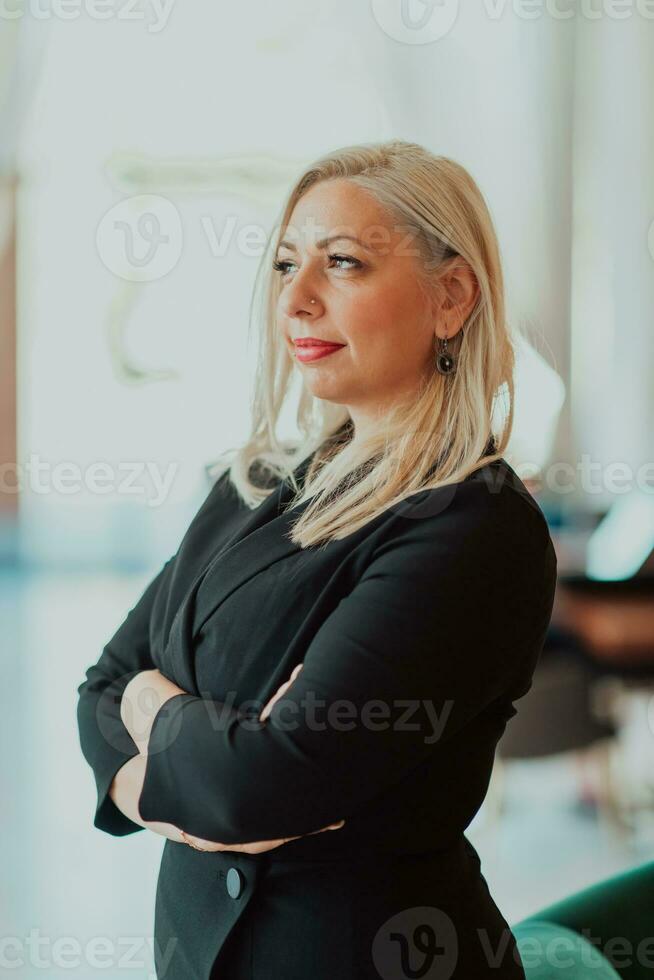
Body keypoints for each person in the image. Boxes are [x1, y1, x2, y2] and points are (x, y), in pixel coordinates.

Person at [76, 139, 557, 979]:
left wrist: (166, 714)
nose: (296, 300)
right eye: (287, 265)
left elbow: (261, 784)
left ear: (451, 297)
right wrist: (203, 776)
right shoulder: (251, 483)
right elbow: (101, 691)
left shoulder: (474, 527)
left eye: (342, 264)